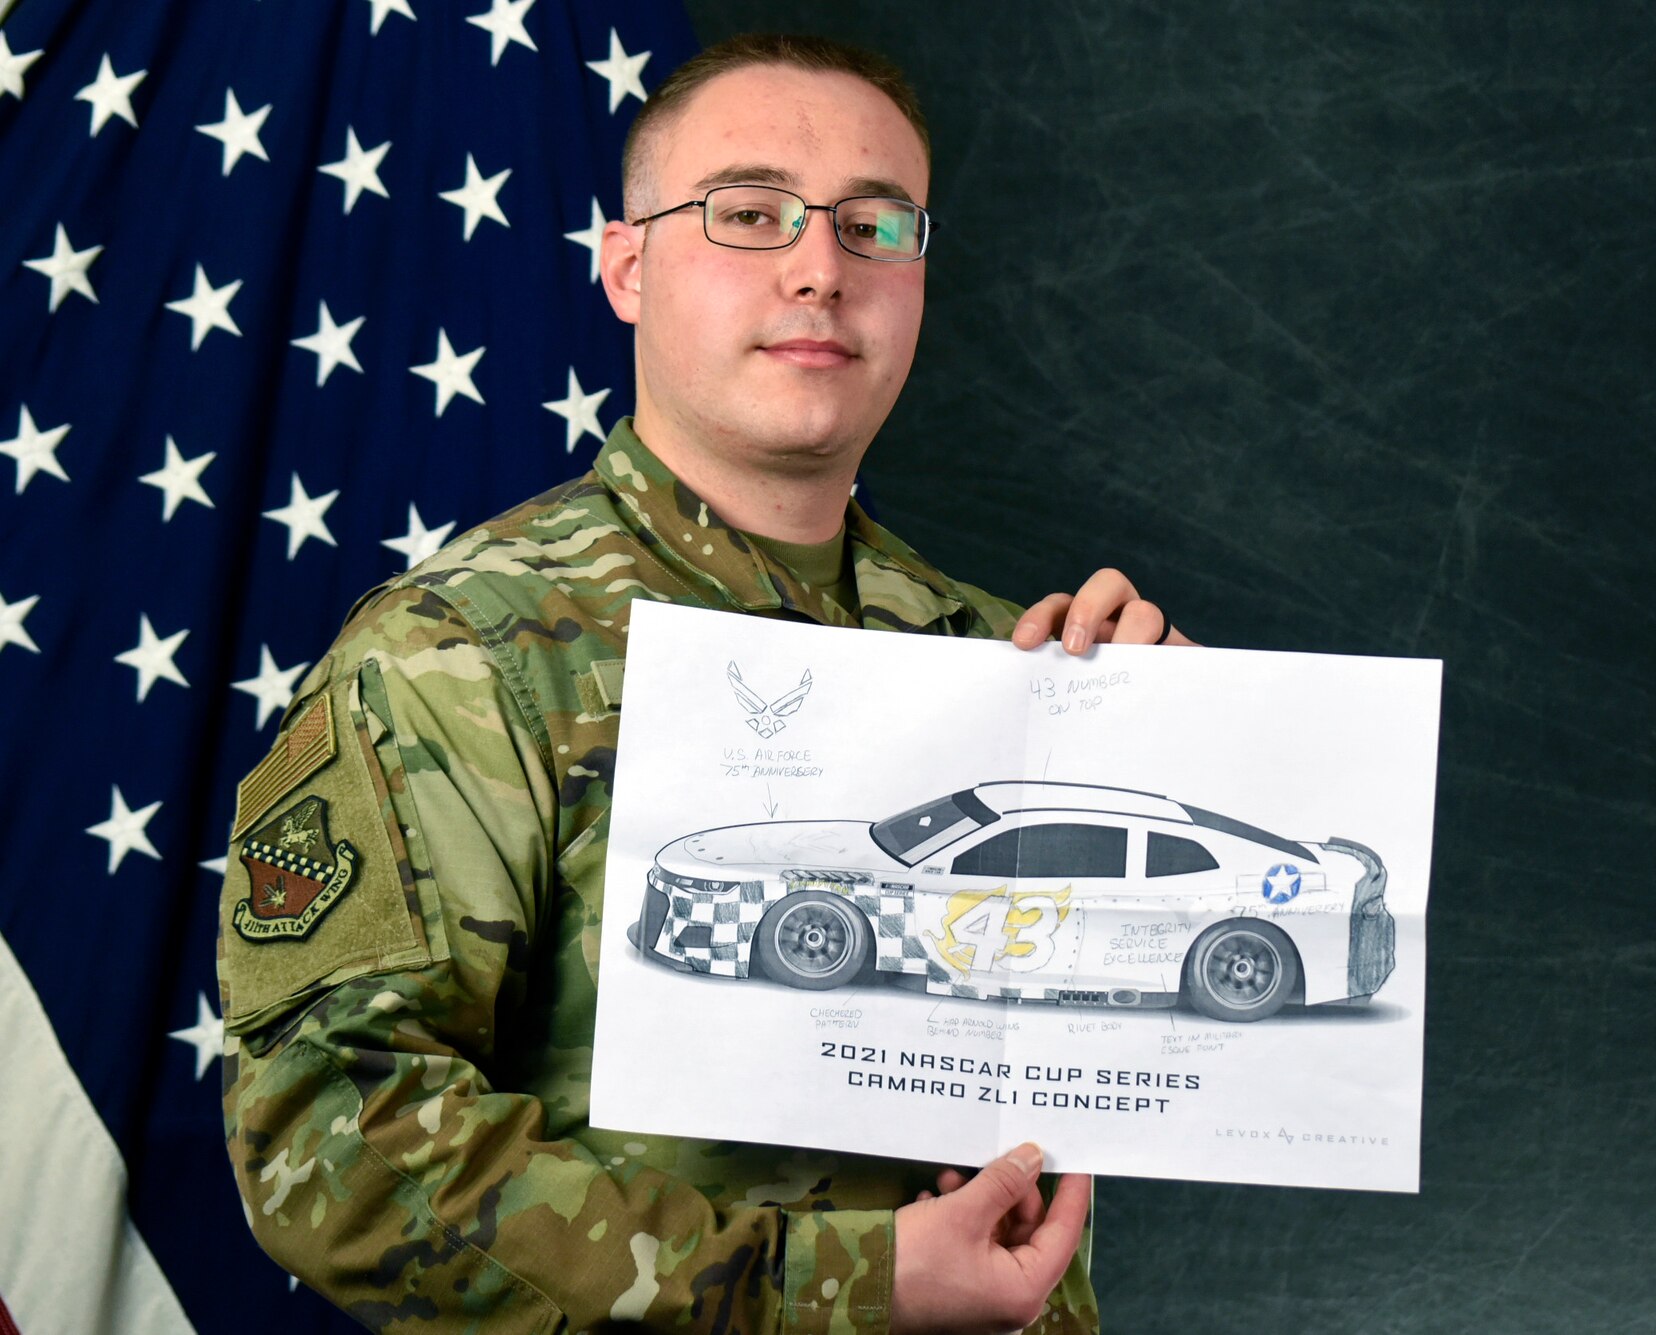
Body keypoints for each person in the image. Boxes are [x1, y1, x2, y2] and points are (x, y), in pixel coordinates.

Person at [218, 32, 1190, 1335]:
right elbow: (332, 1143)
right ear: (629, 267)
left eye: (874, 225)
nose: (817, 268)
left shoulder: (1008, 661)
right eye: (748, 214)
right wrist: (848, 1287)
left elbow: (1135, 1068)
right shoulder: (460, 655)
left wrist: (1183, 753)